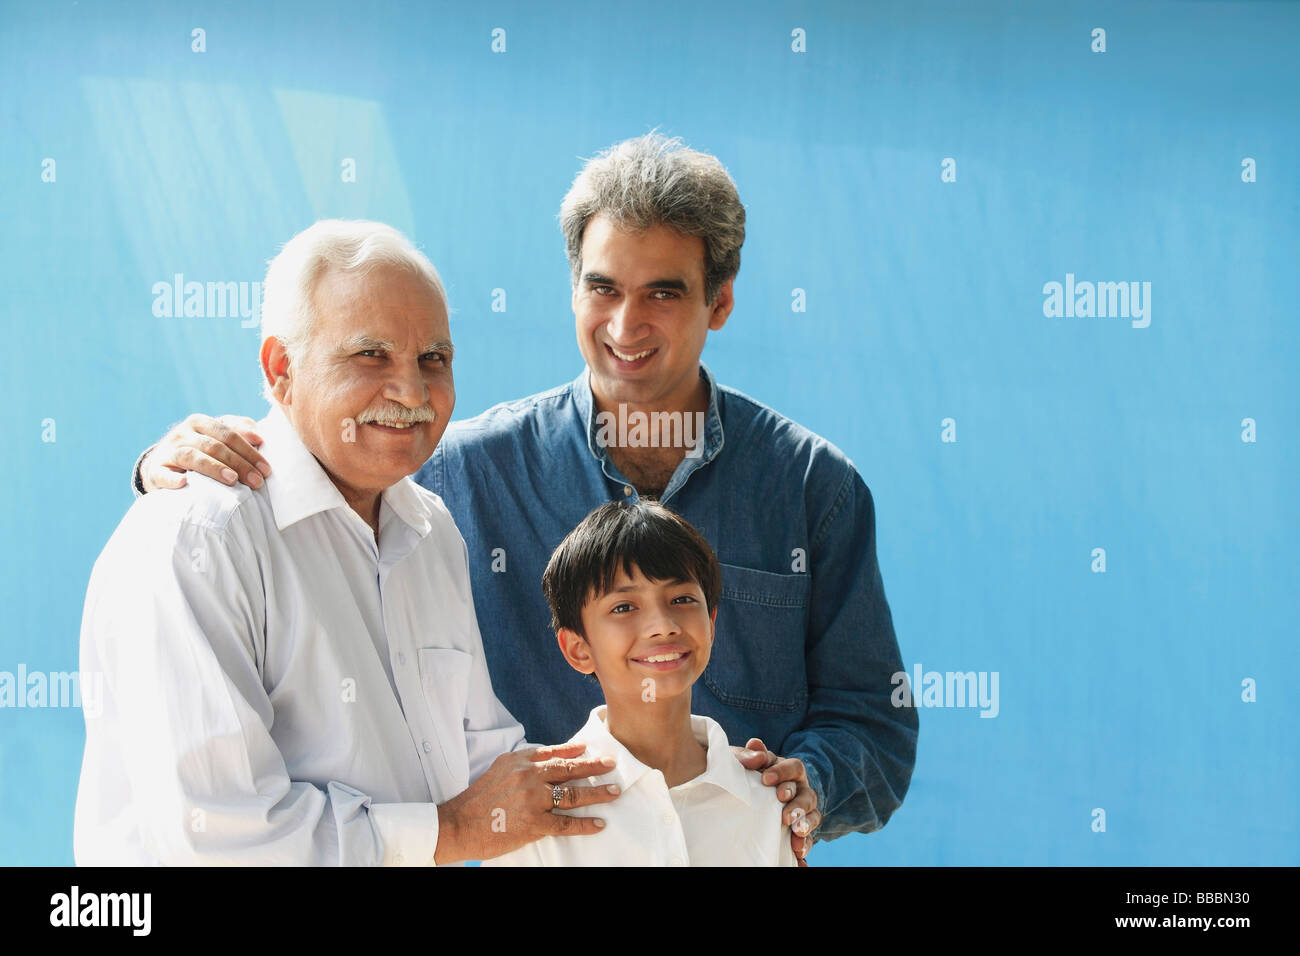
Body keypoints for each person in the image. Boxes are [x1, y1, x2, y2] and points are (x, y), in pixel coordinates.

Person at [132, 133, 918, 857]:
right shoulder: (454, 479)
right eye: (602, 287)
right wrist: (178, 463)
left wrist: (802, 790)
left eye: (664, 294)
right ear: (573, 288)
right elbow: (326, 466)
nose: (625, 323)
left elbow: (873, 724)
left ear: (720, 302)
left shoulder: (814, 489)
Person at [75, 220, 621, 866]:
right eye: (371, 355)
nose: (412, 393)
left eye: (433, 360)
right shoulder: (197, 539)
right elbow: (220, 835)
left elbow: (488, 764)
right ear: (281, 369)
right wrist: (453, 832)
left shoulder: (432, 529)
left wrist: (704, 783)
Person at [485, 499, 798, 866]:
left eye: (681, 599)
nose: (663, 624)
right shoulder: (538, 813)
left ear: (711, 624)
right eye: (624, 607)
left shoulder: (767, 801)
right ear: (578, 649)